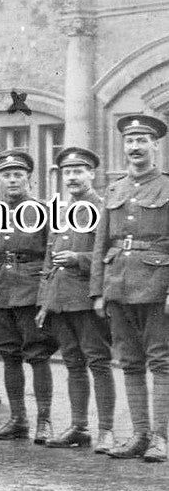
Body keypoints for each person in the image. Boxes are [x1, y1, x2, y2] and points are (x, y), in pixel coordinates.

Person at [90, 115, 169, 462]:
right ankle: (139, 434)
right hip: (117, 285)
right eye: (130, 141)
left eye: (142, 140)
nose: (135, 147)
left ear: (155, 145)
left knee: (161, 362)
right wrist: (97, 291)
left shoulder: (167, 186)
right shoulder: (115, 190)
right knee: (130, 362)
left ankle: (160, 438)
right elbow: (100, 243)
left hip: (156, 285)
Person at [0, 150, 58, 443]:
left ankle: (44, 421)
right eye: (6, 175)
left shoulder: (43, 211)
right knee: (9, 355)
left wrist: (45, 298)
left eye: (18, 174)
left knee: (38, 355)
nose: (12, 180)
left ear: (28, 177)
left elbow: (51, 257)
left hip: (30, 291)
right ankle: (18, 419)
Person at [35, 147, 116, 452]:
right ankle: (79, 427)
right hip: (60, 301)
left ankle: (106, 430)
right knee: (72, 363)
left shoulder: (104, 208)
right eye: (67, 172)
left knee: (98, 362)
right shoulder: (60, 211)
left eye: (78, 171)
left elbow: (109, 253)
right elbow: (48, 260)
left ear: (91, 174)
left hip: (87, 297)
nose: (72, 177)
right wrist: (44, 302)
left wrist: (79, 258)